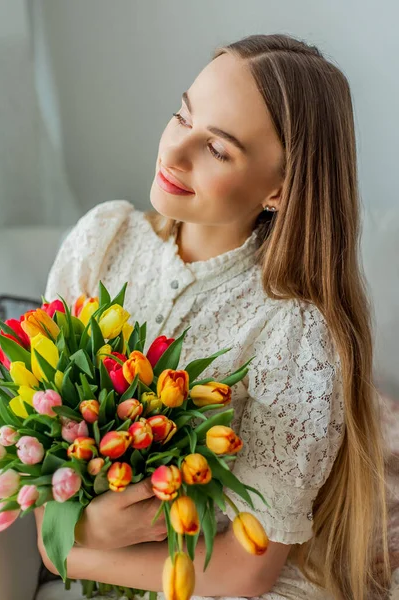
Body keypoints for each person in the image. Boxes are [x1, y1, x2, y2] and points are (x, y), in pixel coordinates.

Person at [34, 33, 391, 600]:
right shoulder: (102, 239)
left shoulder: (292, 330)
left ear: (279, 188)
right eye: (182, 116)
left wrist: (72, 552)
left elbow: (248, 571)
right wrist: (74, 525)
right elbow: (31, 440)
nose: (174, 153)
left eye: (218, 149)